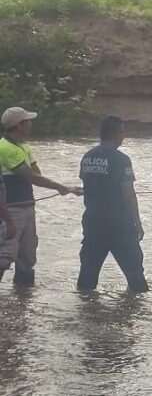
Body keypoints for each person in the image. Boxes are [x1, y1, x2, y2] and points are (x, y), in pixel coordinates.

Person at [0, 107, 82, 286]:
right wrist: (63, 188)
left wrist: (66, 187)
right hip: (11, 210)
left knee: (27, 258)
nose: (31, 124)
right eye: (27, 121)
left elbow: (37, 172)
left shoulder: (23, 146)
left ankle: (22, 302)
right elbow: (33, 177)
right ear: (18, 125)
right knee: (5, 256)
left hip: (27, 208)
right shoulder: (5, 148)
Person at [77, 116, 148, 293]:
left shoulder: (88, 156)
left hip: (93, 222)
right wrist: (138, 223)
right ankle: (136, 313)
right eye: (123, 132)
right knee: (136, 279)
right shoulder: (121, 159)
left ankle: (86, 313)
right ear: (116, 134)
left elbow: (87, 185)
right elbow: (128, 194)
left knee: (87, 277)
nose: (124, 135)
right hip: (119, 224)